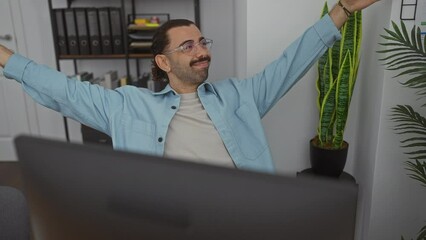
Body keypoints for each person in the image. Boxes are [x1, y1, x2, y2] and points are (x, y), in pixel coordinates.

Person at [0, 0, 379, 173]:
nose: (201, 52)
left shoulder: (240, 96)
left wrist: (341, 11)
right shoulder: (127, 106)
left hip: (243, 215)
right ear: (163, 62)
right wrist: (4, 56)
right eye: (187, 46)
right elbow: (63, 91)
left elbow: (290, 64)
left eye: (202, 43)